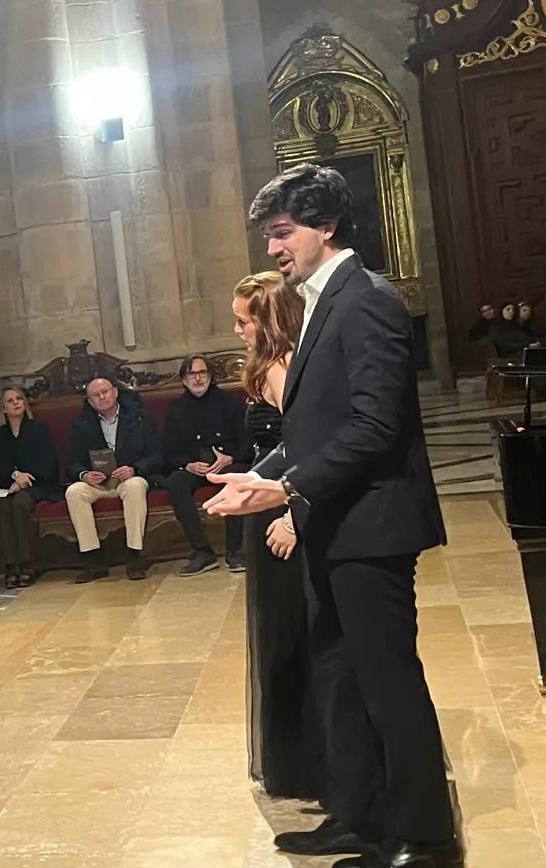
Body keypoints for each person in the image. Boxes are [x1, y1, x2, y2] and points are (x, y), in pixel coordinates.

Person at [205, 164, 456, 868]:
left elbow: (377, 426)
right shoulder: (320, 299)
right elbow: (316, 424)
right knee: (341, 677)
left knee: (387, 680)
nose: (275, 249)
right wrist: (261, 477)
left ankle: (426, 837)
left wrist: (289, 490)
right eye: (269, 236)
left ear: (327, 226)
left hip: (373, 526)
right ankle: (359, 814)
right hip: (336, 521)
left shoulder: (367, 298)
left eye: (283, 233)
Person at [229, 269, 324, 803]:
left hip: (286, 503)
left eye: (244, 320)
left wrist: (292, 512)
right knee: (280, 629)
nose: (239, 330)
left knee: (291, 633)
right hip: (270, 497)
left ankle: (305, 762)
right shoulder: (272, 364)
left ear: (269, 319)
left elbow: (309, 445)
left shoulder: (285, 367)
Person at [64, 378, 163, 583]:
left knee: (135, 487)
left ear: (115, 392)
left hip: (130, 478)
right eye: (96, 395)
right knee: (73, 492)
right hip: (98, 483)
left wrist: (135, 469)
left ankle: (134, 555)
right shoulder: (81, 424)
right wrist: (84, 474)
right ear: (90, 401)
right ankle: (93, 560)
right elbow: (73, 461)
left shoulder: (139, 417)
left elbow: (159, 454)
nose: (102, 397)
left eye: (105, 392)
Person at [159, 355, 249, 577]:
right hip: (195, 467)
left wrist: (230, 457)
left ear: (211, 376)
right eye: (192, 374)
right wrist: (188, 465)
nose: (197, 378)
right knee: (175, 483)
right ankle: (202, 551)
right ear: (183, 379)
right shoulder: (176, 410)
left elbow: (247, 440)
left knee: (234, 479)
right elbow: (169, 451)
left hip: (228, 463)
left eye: (202, 373)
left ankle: (235, 551)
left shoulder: (231, 403)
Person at [0, 386, 60, 589]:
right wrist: (14, 476)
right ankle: (10, 565)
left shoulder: (38, 429)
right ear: (3, 409)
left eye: (19, 399)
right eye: (10, 400)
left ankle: (27, 564)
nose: (16, 403)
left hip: (38, 484)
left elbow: (49, 462)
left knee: (20, 503)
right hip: (5, 486)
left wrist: (25, 479)